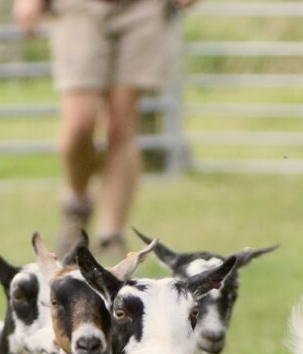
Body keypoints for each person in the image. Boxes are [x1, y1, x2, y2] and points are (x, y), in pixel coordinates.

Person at [13, 0, 195, 257]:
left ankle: (112, 238)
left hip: (143, 7)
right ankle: (77, 204)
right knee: (79, 123)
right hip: (77, 7)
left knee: (121, 126)